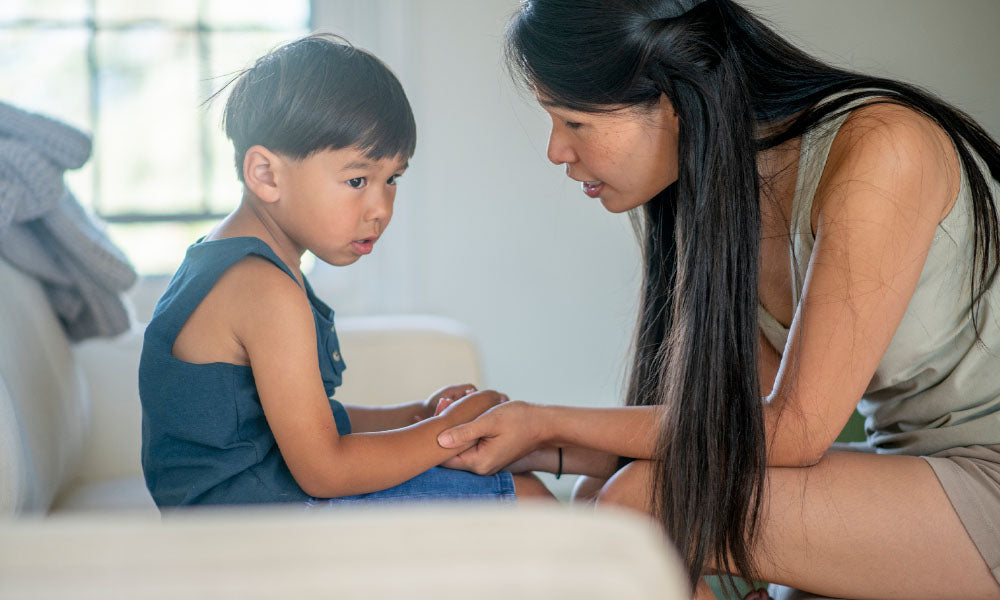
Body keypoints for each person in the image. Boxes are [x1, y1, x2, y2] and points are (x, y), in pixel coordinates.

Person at [435, 1, 1000, 598]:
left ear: (675, 100)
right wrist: (529, 443)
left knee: (640, 507)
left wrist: (546, 421)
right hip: (912, 470)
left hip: (983, 475)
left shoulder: (882, 147)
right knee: (606, 495)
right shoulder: (727, 191)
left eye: (574, 121)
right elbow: (737, 433)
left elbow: (795, 433)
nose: (555, 150)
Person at [138, 34, 551, 509]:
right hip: (251, 527)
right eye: (357, 180)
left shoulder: (228, 260)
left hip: (255, 507)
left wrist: (416, 415)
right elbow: (325, 469)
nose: (381, 208)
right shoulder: (262, 287)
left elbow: (304, 424)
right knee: (526, 497)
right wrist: (445, 433)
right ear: (266, 174)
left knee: (508, 471)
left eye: (392, 179)